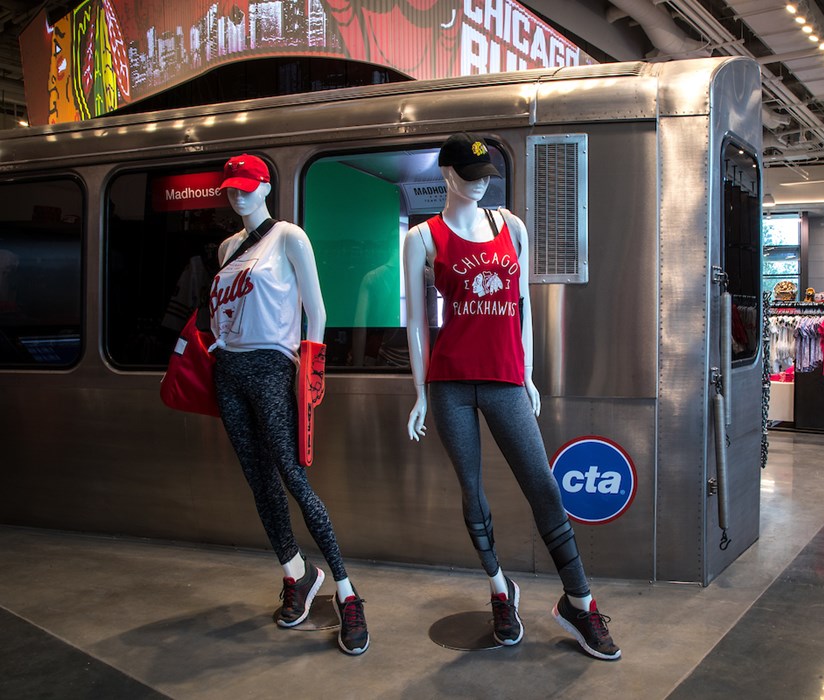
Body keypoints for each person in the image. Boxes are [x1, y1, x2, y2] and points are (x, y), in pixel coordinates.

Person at [403, 133, 621, 661]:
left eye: (486, 177)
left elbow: (522, 307)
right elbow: (415, 322)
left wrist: (528, 375)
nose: (480, 186)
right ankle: (501, 588)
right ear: (448, 175)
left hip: (504, 378)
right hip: (450, 381)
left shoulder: (510, 226)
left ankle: (579, 602)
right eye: (470, 176)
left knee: (543, 487)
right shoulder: (423, 237)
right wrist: (419, 392)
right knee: (472, 495)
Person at [209, 154, 368, 655]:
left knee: (294, 477)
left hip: (273, 366)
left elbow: (316, 308)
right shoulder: (227, 248)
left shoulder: (289, 237)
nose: (238, 196)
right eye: (232, 188)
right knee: (260, 481)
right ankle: (294, 573)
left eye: (247, 187)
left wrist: (312, 371)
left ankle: (346, 591)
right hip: (228, 369)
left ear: (265, 188)